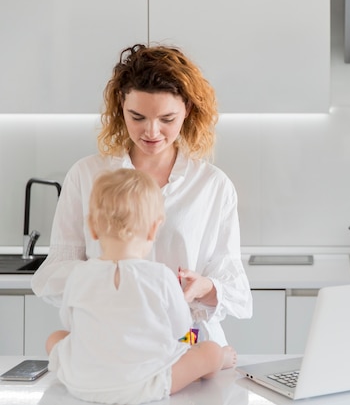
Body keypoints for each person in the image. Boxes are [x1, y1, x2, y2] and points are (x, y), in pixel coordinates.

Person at [32, 43, 253, 346]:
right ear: (120, 106)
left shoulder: (213, 186)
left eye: (167, 119)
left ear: (187, 110)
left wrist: (205, 287)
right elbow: (52, 276)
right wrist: (114, 278)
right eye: (137, 117)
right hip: (112, 344)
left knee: (204, 358)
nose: (151, 132)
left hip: (187, 342)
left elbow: (236, 289)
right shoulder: (86, 176)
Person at [45, 168, 237, 404]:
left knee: (55, 338)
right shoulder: (161, 276)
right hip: (147, 382)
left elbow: (70, 323)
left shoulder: (77, 274)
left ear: (93, 228)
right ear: (154, 229)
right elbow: (179, 331)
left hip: (83, 381)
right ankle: (222, 359)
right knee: (210, 350)